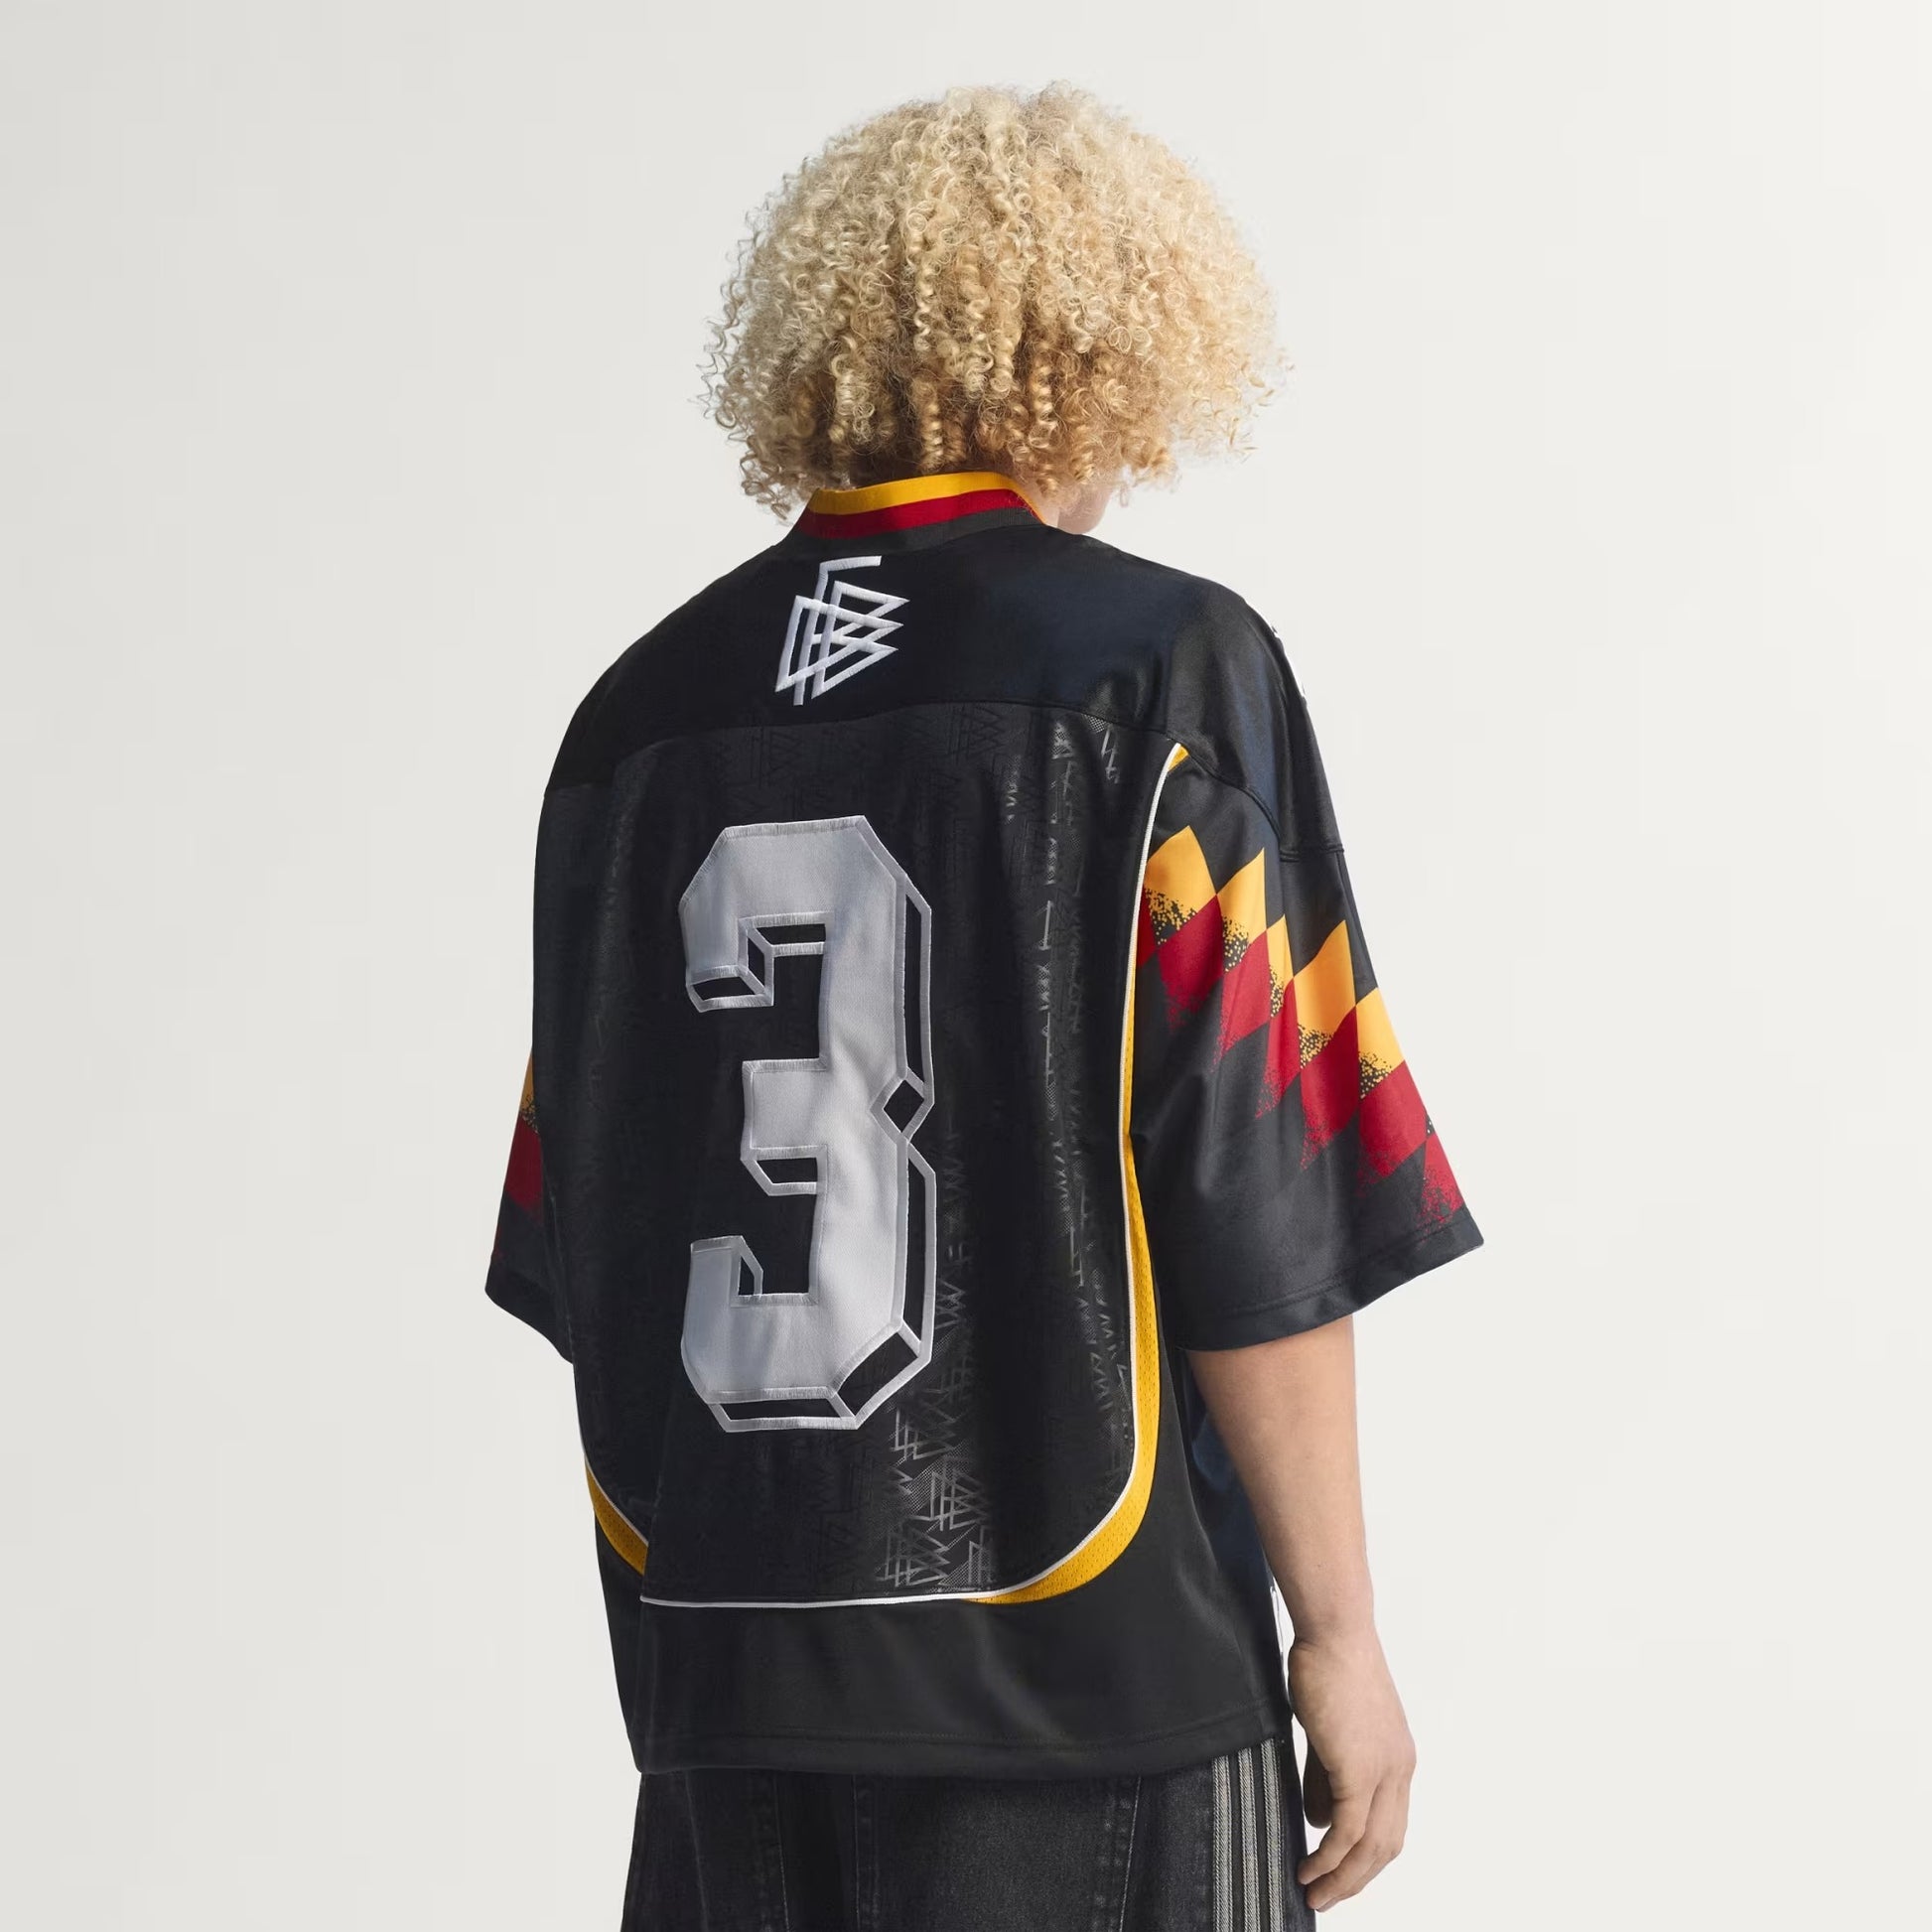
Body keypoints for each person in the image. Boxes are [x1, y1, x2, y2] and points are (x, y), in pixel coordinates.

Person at [484, 82, 1483, 1930]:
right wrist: (1340, 1632)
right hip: (1095, 1684)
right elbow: (1257, 1205)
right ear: (1103, 352)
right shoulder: (1154, 669)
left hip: (723, 1693)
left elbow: (584, 1234)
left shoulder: (629, 725)